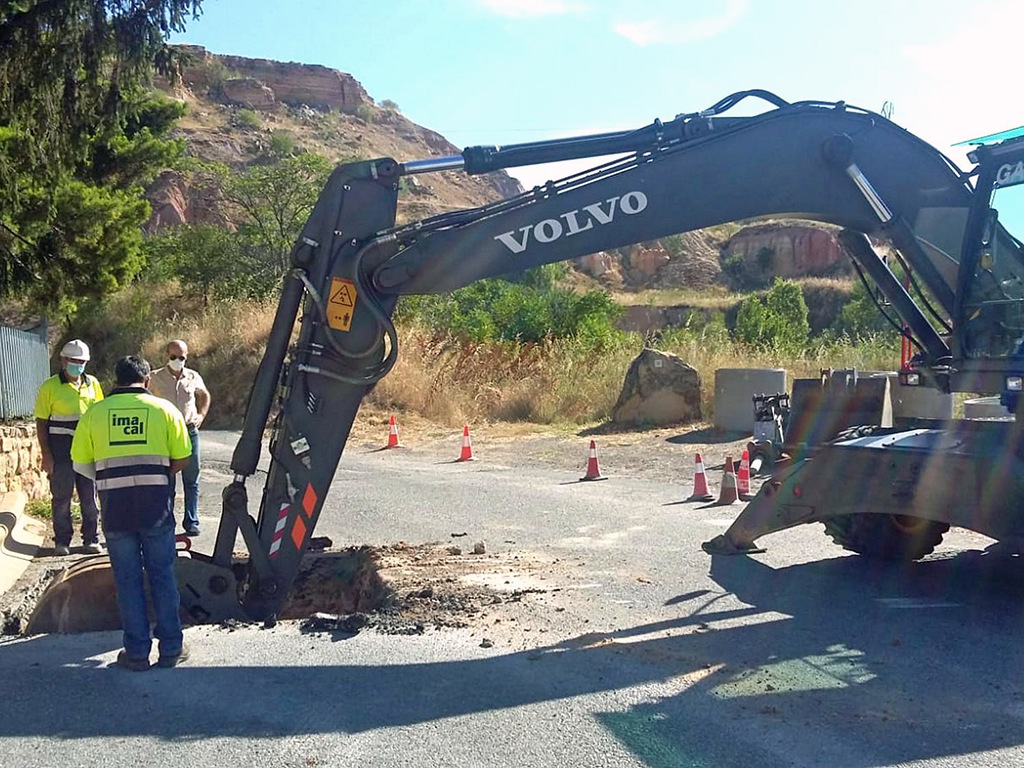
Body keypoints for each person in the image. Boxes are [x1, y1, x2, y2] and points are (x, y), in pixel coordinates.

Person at [71, 356, 192, 671]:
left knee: (127, 581)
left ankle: (137, 654)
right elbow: (181, 458)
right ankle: (172, 649)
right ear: (147, 380)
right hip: (156, 510)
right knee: (163, 576)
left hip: (116, 511)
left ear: (116, 380)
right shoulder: (166, 410)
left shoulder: (94, 414)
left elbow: (82, 463)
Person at [33, 338, 104, 556]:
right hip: (61, 452)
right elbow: (42, 423)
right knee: (62, 498)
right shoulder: (50, 387)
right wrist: (46, 455)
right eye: (74, 360)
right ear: (63, 360)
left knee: (89, 498)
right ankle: (62, 541)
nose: (78, 364)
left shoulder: (93, 384)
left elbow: (99, 416)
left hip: (87, 452)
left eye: (82, 361)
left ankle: (90, 539)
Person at [149, 339, 210, 537]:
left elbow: (204, 395)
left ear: (187, 357)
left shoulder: (193, 376)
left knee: (192, 478)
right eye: (173, 357)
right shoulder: (154, 377)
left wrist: (201, 415)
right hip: (165, 432)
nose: (177, 361)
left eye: (181, 357)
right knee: (167, 478)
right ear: (166, 355)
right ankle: (167, 520)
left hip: (189, 430)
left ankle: (191, 521)